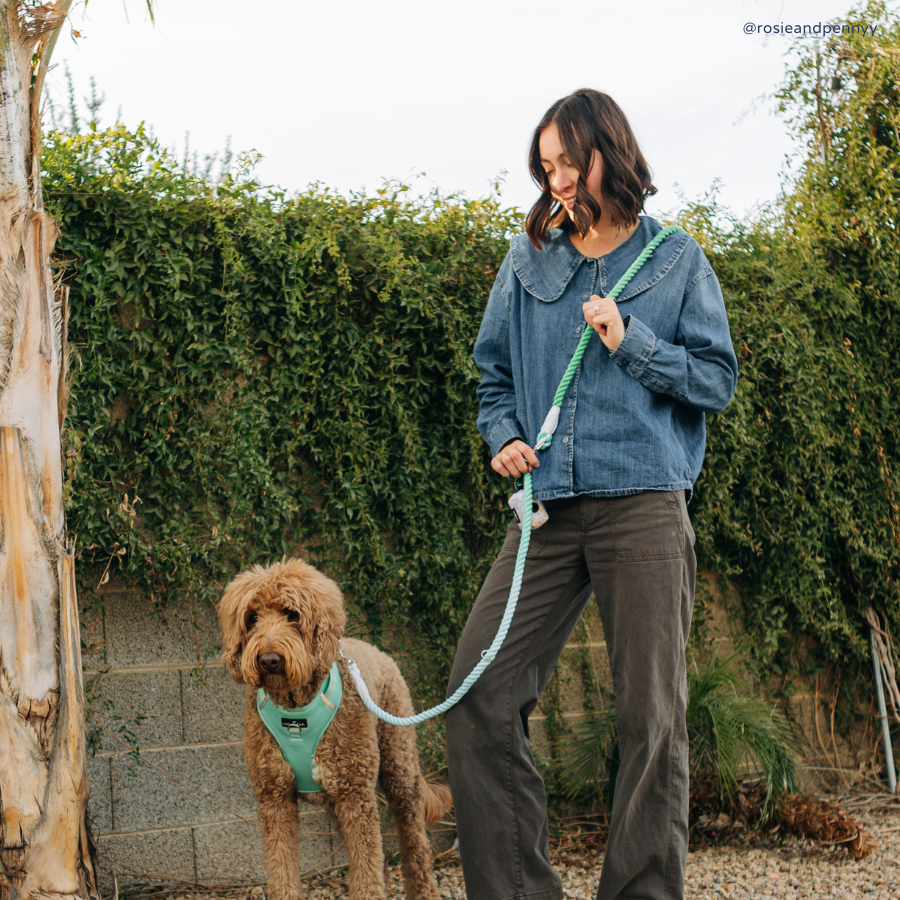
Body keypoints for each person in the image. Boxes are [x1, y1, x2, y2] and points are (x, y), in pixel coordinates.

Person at [444, 88, 739, 900]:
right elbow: (492, 374)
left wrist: (632, 342)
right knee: (478, 691)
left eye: (569, 161)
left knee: (651, 720)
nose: (558, 180)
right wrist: (503, 436)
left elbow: (716, 379)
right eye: (546, 167)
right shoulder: (529, 259)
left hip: (643, 504)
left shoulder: (676, 259)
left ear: (610, 150)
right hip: (548, 509)